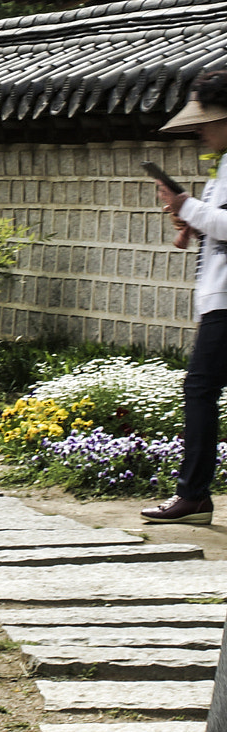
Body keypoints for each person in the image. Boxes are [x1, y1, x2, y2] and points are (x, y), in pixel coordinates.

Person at [141, 70, 227, 523]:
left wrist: (186, 207)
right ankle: (194, 492)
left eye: (207, 120)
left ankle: (193, 494)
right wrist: (190, 220)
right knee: (201, 389)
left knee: (199, 389)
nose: (200, 130)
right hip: (218, 298)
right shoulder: (222, 167)